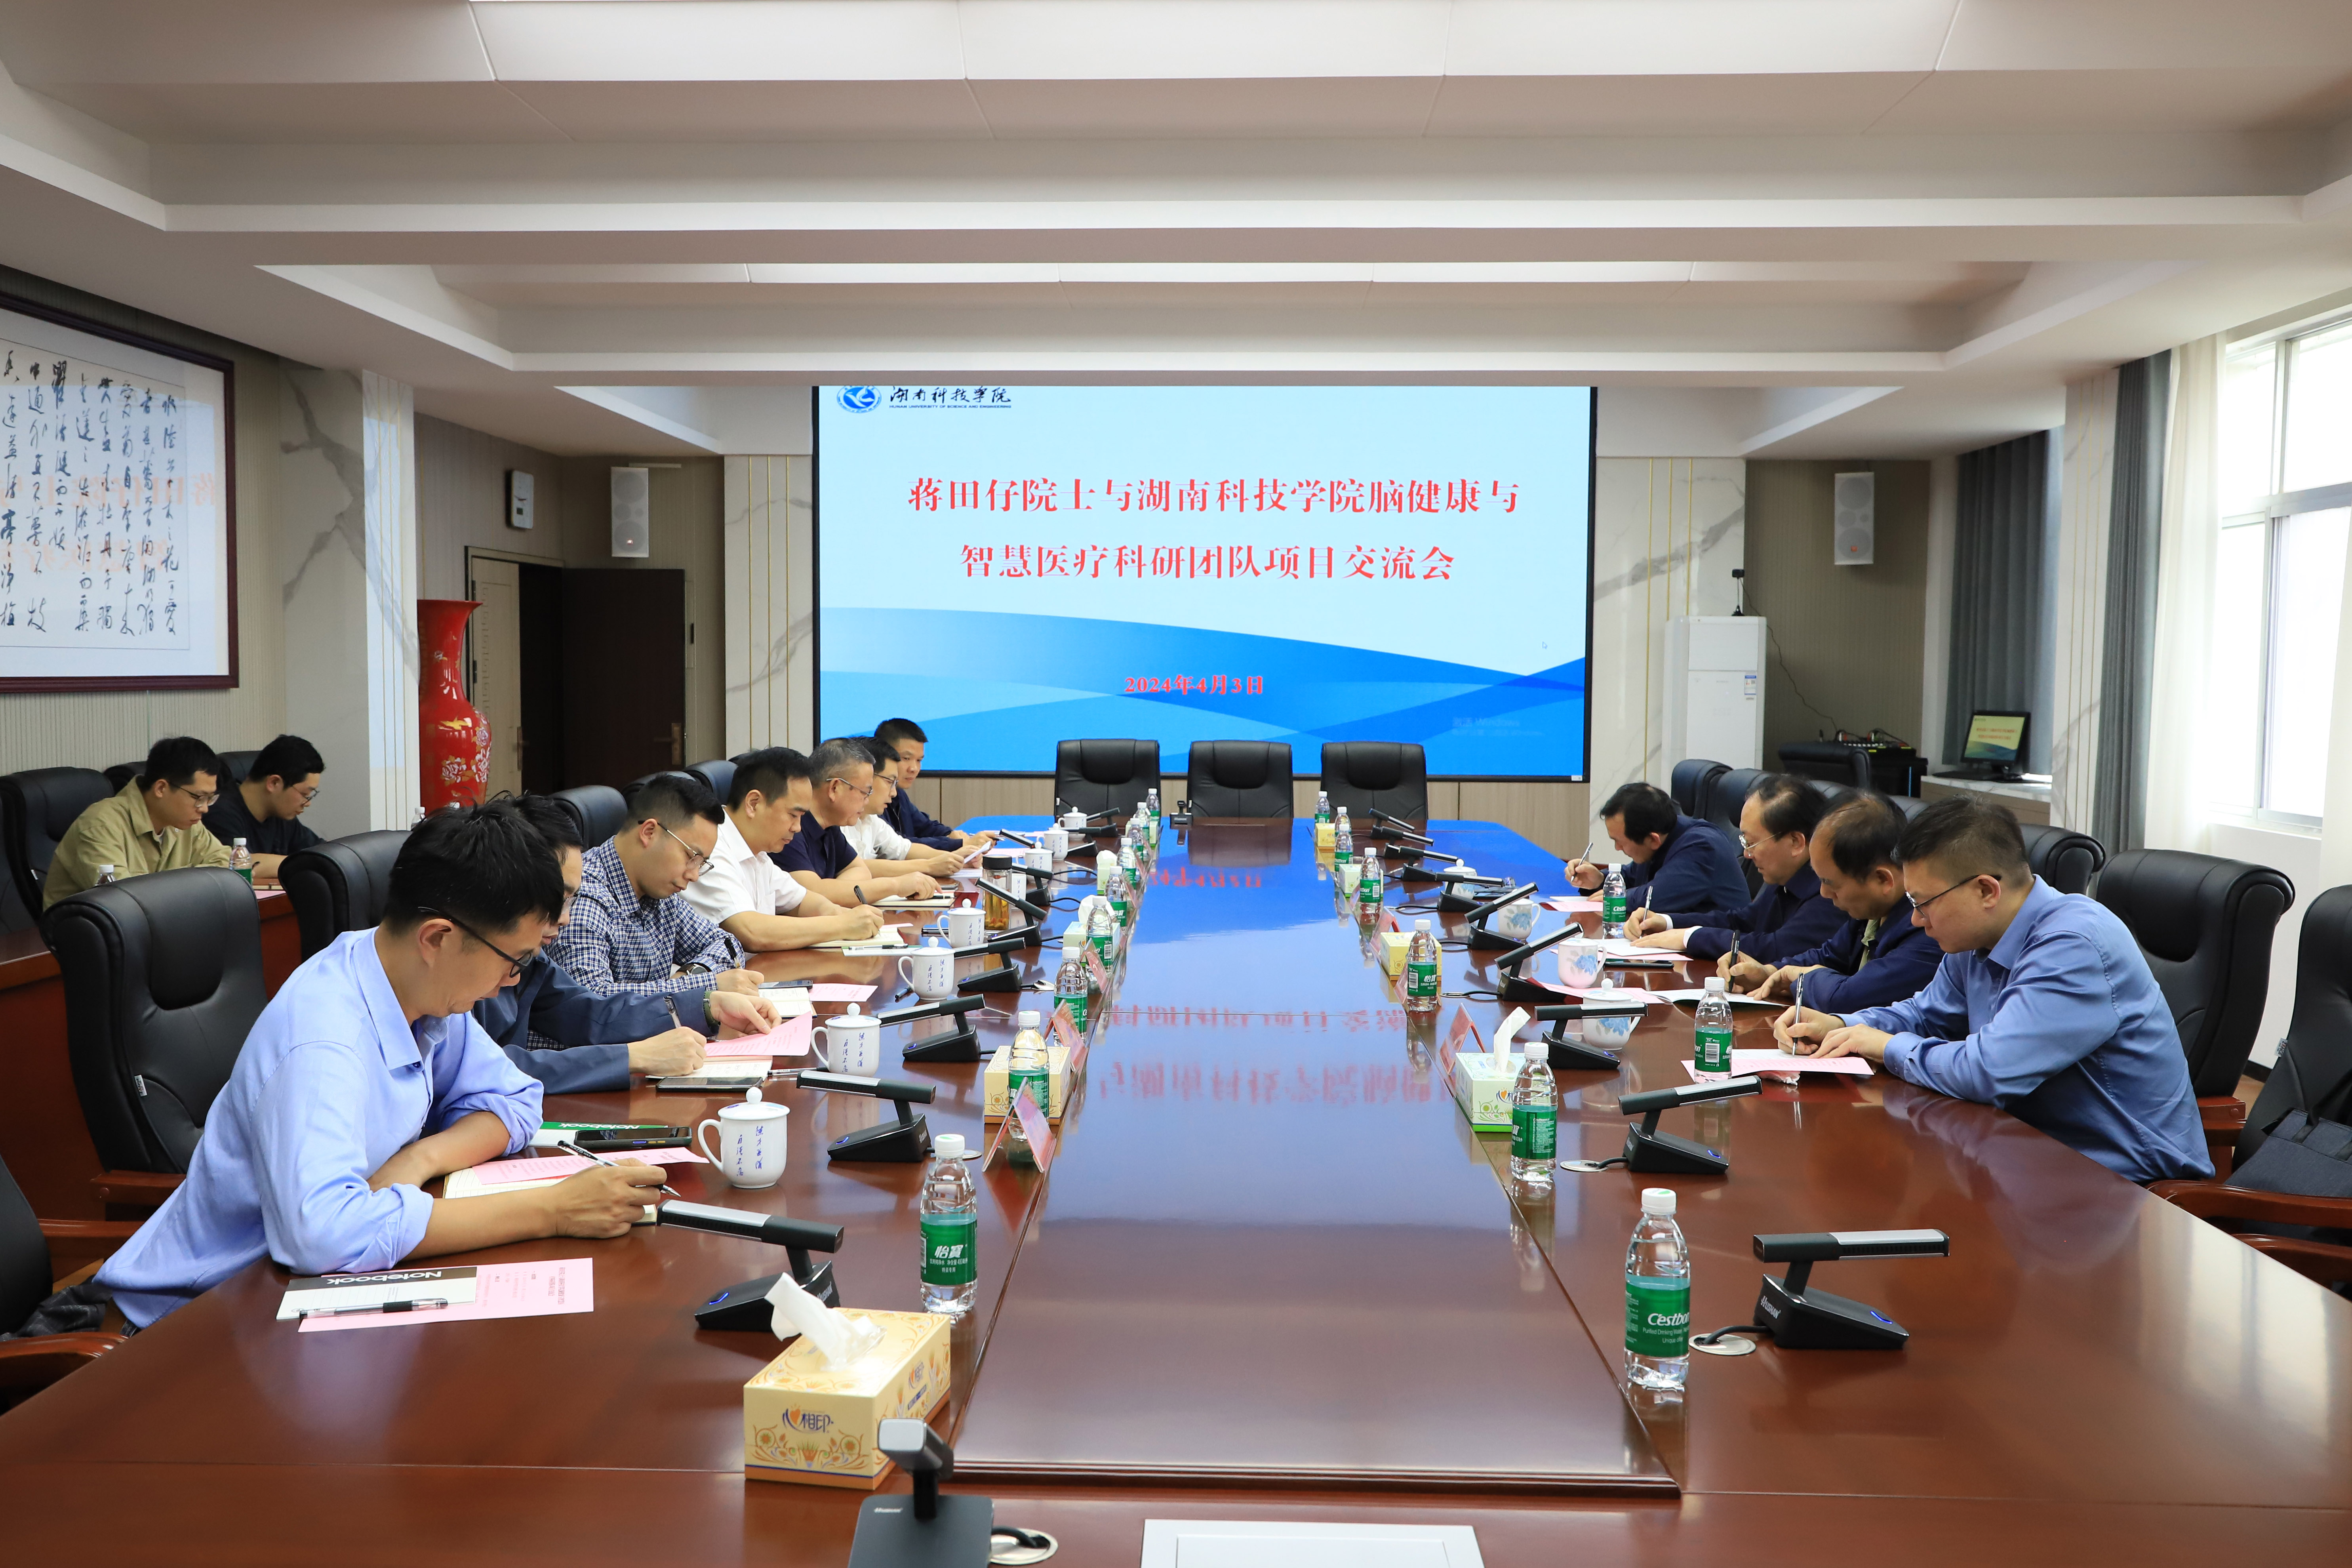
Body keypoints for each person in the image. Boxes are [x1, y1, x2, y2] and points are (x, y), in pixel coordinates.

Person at [92, 803, 667, 1328]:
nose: (509, 982)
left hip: (283, 1298)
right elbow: (324, 1235)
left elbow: (516, 1098)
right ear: (437, 937)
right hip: (185, 1321)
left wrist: (418, 1159)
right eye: (513, 961)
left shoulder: (419, 988)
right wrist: (552, 1210)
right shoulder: (325, 1038)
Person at [1778, 795, 2210, 1184]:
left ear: (1985, 889)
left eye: (1922, 903)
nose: (1915, 920)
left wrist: (1886, 1045)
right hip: (2026, 1153)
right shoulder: (1976, 937)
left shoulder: (2072, 944)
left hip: (2127, 1183)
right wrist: (1842, 1026)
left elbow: (1988, 1071)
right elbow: (1924, 1014)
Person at [469, 795, 781, 1093]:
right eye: (558, 899)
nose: (565, 918)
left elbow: (591, 1011)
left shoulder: (533, 959)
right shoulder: (464, 965)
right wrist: (634, 1056)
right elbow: (484, 1068)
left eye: (568, 900)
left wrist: (707, 1003)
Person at [549, 773, 784, 1030]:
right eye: (691, 857)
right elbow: (592, 1005)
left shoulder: (661, 893)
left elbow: (727, 944)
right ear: (649, 832)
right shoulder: (584, 897)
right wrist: (707, 986)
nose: (694, 875)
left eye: (701, 863)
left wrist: (689, 976)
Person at [1727, 792, 1941, 1014]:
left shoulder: (1926, 929)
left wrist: (1805, 977)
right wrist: (1769, 972)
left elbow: (1848, 998)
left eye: (1831, 883)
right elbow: (1828, 956)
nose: (1824, 893)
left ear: (1882, 880)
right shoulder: (1871, 911)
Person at [1625, 773, 1843, 968]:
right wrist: (1667, 923)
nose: (1747, 854)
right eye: (1744, 842)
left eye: (1752, 843)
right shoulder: (1786, 875)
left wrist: (1689, 938)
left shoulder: (1829, 889)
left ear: (1796, 842)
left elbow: (1776, 948)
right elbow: (1743, 921)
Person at [685, 747, 887, 952]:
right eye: (793, 815)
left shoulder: (759, 854)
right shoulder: (711, 848)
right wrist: (843, 925)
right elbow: (751, 932)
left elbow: (803, 901)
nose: (798, 828)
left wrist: (842, 914)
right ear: (754, 804)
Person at [44, 735, 233, 907]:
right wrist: (191, 884)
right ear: (161, 789)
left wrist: (178, 886)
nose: (205, 808)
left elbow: (226, 865)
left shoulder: (186, 823)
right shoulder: (101, 825)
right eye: (199, 797)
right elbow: (124, 901)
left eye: (210, 798)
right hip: (90, 931)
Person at [774, 738, 944, 907]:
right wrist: (897, 886)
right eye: (865, 792)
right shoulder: (791, 828)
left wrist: (836, 890)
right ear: (835, 788)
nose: (867, 800)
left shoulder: (830, 827)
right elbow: (811, 893)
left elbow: (860, 870)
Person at [1564, 781, 1748, 919]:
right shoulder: (1661, 831)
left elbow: (1655, 897)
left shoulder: (1702, 847)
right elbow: (1633, 876)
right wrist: (1600, 879)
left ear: (1653, 840)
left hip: (1720, 950)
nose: (1617, 848)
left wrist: (1615, 896)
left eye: (1620, 842)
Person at [201, 733, 326, 883]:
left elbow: (321, 851)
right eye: (305, 794)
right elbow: (236, 864)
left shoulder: (281, 814)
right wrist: (306, 863)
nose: (308, 803)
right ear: (274, 783)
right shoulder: (220, 812)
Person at [844, 739, 965, 877]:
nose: (894, 793)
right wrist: (929, 866)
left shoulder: (871, 819)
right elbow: (854, 866)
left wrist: (955, 859)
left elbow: (905, 849)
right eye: (889, 782)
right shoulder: (838, 821)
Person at [875, 717, 993, 851]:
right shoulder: (872, 800)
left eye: (919, 760)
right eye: (906, 758)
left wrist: (951, 835)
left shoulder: (899, 793)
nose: (914, 768)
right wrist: (957, 844)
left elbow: (926, 827)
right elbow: (897, 845)